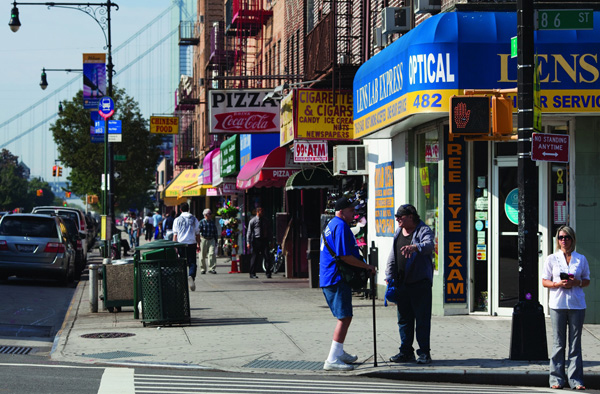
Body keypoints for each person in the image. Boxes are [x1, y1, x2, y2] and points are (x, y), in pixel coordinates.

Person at [319, 196, 376, 371]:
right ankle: (332, 358)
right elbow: (344, 256)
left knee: (345, 316)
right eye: (352, 211)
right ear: (342, 212)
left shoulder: (331, 225)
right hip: (336, 278)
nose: (355, 214)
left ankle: (339, 351)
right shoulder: (341, 226)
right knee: (344, 317)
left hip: (328, 276)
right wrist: (367, 266)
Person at [386, 203, 435, 365]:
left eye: (401, 216)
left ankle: (424, 353)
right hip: (402, 283)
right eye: (396, 217)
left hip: (420, 284)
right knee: (404, 320)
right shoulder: (399, 231)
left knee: (421, 320)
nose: (398, 219)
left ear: (411, 217)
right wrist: (389, 274)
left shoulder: (423, 230)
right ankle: (406, 352)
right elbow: (393, 254)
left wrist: (415, 247)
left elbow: (429, 245)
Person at [542, 225, 590, 390]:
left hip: (577, 304)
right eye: (561, 237)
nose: (564, 240)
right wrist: (557, 283)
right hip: (558, 304)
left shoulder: (580, 258)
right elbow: (544, 281)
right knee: (558, 343)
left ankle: (576, 380)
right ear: (557, 240)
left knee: (575, 344)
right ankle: (556, 379)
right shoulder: (552, 258)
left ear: (572, 239)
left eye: (567, 237)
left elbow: (587, 280)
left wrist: (575, 282)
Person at [173, 202, 200, 292]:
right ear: (189, 209)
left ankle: (183, 281)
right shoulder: (194, 219)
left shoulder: (177, 220)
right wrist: (198, 244)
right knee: (192, 262)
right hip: (192, 243)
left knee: (182, 263)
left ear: (180, 210)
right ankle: (191, 276)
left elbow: (175, 235)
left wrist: (174, 246)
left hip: (181, 243)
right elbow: (197, 233)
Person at [246, 207, 273, 279]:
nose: (262, 213)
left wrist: (271, 240)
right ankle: (252, 273)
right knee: (255, 257)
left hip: (264, 240)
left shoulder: (265, 220)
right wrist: (248, 242)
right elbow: (249, 232)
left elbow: (269, 231)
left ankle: (268, 272)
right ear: (257, 212)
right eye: (261, 211)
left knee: (267, 256)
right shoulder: (253, 221)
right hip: (256, 240)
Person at [198, 208, 218, 274]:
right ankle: (203, 269)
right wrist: (198, 241)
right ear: (206, 215)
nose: (211, 215)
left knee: (212, 254)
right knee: (202, 255)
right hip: (203, 239)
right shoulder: (201, 222)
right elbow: (198, 232)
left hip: (211, 239)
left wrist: (216, 240)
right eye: (210, 214)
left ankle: (211, 268)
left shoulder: (212, 222)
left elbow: (215, 231)